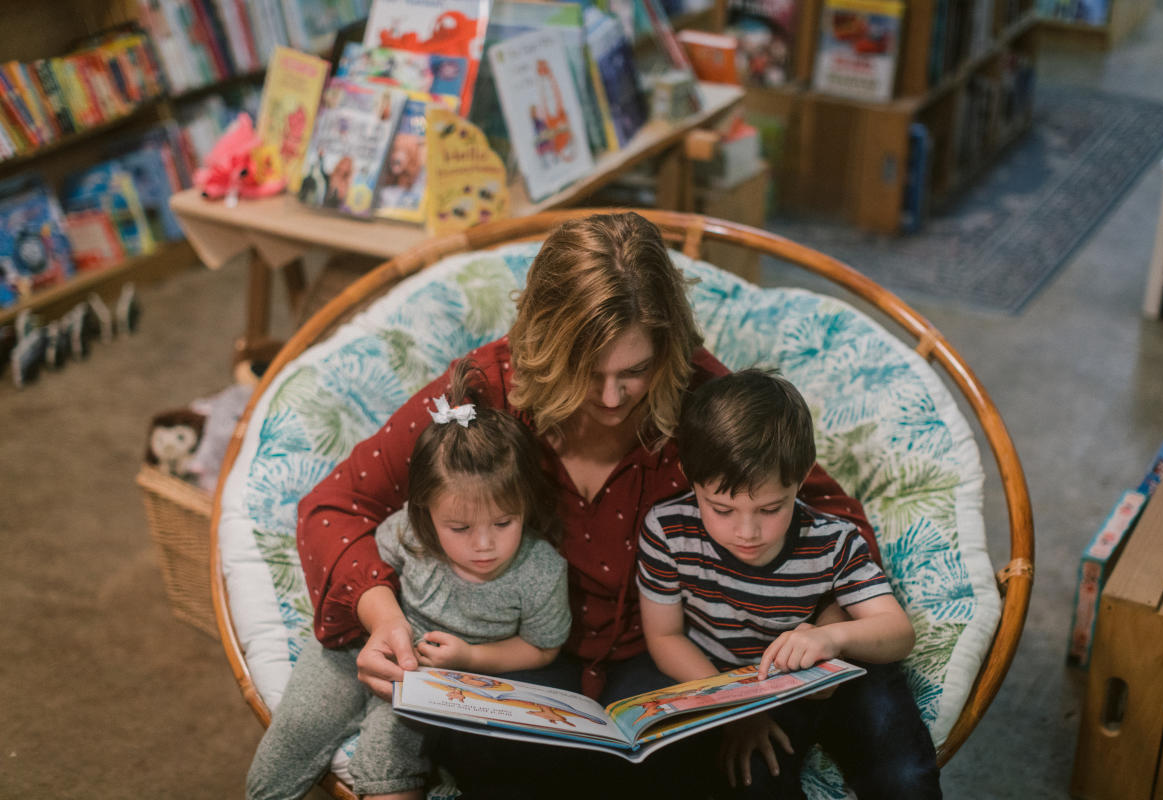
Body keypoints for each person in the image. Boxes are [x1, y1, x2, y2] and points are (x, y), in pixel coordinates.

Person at [295, 212, 882, 797]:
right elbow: (333, 507)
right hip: (511, 653)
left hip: (662, 656)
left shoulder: (702, 398)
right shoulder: (484, 392)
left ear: (669, 348)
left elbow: (833, 518)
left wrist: (825, 633)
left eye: (636, 371)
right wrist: (385, 621)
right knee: (489, 761)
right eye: (585, 370)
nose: (610, 397)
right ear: (543, 346)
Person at [247, 361, 570, 800]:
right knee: (298, 728)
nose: (484, 545)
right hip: (362, 644)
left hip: (435, 680)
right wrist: (383, 622)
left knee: (388, 754)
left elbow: (543, 645)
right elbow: (361, 580)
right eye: (459, 528)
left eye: (503, 522)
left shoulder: (540, 569)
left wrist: (472, 658)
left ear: (526, 505)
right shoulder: (406, 532)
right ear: (426, 510)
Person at [637, 368, 941, 799]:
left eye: (770, 508)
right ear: (689, 476)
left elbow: (898, 633)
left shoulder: (833, 540)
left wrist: (831, 637)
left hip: (840, 676)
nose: (747, 531)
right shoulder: (668, 531)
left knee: (905, 776)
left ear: (801, 479)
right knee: (749, 779)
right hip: (743, 686)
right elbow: (664, 636)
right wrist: (738, 707)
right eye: (721, 509)